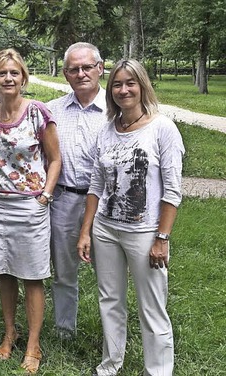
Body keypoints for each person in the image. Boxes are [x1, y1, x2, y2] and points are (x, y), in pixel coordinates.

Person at [77, 59, 184, 376]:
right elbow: (96, 186)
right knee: (109, 300)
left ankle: (158, 371)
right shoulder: (107, 131)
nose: (124, 90)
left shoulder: (162, 129)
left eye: (130, 83)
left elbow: (173, 191)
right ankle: (110, 365)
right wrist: (86, 232)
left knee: (152, 308)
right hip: (106, 230)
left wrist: (162, 238)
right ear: (111, 92)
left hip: (145, 232)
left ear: (142, 86)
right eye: (117, 85)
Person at [0, 48, 61, 374]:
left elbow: (55, 160)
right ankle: (10, 332)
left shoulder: (38, 112)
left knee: (32, 275)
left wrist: (45, 197)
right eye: (2, 74)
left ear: (23, 77)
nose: (8, 78)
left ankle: (33, 344)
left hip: (30, 205)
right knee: (4, 271)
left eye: (14, 73)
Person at [46, 42, 106, 339]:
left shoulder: (118, 109)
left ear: (100, 68)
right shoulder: (52, 111)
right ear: (65, 74)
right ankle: (64, 332)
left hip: (109, 205)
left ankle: (111, 337)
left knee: (109, 274)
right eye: (73, 69)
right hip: (64, 200)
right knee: (64, 271)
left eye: (87, 67)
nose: (81, 73)